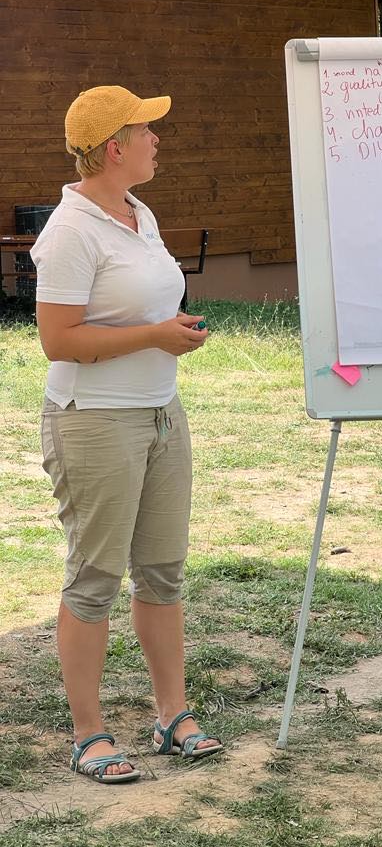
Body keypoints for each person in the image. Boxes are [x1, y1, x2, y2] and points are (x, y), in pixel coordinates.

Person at [32, 86, 223, 783]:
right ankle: (89, 735)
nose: (157, 139)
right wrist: (154, 336)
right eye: (147, 130)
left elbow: (143, 306)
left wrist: (170, 334)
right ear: (115, 147)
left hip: (161, 414)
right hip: (94, 423)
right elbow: (58, 340)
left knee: (163, 572)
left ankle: (172, 716)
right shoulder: (71, 230)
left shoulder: (138, 213)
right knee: (95, 580)